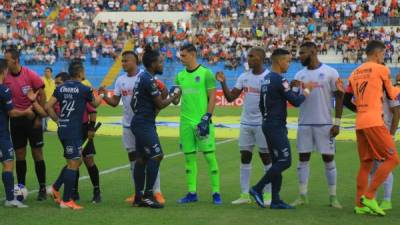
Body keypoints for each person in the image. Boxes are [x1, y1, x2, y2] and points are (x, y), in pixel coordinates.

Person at [249, 48, 313, 209]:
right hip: (276, 126)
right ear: (279, 61)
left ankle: (276, 200)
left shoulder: (266, 79)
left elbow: (262, 104)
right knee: (285, 161)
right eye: (287, 60)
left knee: (277, 161)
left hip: (267, 124)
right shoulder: (280, 79)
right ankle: (257, 188)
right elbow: (296, 101)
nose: (289, 64)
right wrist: (306, 90)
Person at [99, 51, 166, 204]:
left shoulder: (144, 77)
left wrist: (152, 115)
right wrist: (104, 96)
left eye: (126, 61)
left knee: (152, 156)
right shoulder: (120, 80)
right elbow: (115, 102)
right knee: (135, 159)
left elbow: (159, 97)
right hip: (128, 125)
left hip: (143, 124)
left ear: (135, 62)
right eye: (122, 61)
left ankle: (157, 191)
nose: (123, 63)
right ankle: (138, 192)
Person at [343, 40, 400, 216]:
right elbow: (392, 94)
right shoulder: (381, 69)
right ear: (377, 54)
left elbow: (346, 99)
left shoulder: (354, 72)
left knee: (366, 164)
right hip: (375, 121)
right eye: (383, 54)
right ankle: (368, 196)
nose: (384, 57)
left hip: (360, 122)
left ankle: (359, 204)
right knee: (393, 159)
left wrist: (360, 109)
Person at [216, 47, 272, 205]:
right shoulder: (243, 77)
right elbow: (230, 97)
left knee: (266, 158)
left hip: (262, 123)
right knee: (245, 157)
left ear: (260, 59)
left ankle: (268, 195)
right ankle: (244, 194)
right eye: (248, 56)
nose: (248, 58)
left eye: (251, 56)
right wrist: (223, 82)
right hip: (246, 123)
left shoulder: (268, 77)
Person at [291, 42, 344, 209]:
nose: (299, 56)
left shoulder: (331, 72)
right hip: (305, 123)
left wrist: (337, 123)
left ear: (313, 51)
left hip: (325, 124)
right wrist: (293, 89)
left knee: (328, 159)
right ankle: (302, 195)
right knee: (303, 159)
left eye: (302, 53)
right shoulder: (299, 75)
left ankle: (333, 197)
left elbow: (340, 98)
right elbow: (295, 101)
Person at [45, 61, 103, 210]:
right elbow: (95, 105)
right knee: (74, 163)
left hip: (63, 129)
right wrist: (101, 94)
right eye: (84, 71)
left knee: (74, 162)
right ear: (80, 73)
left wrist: (57, 120)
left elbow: (47, 106)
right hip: (74, 130)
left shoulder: (61, 88)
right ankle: (66, 200)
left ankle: (58, 190)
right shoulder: (84, 89)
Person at [130, 46, 180, 208]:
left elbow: (133, 102)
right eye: (160, 62)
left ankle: (138, 197)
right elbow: (160, 102)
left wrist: (147, 113)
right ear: (152, 64)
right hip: (144, 124)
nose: (162, 64)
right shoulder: (148, 79)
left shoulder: (142, 77)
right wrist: (173, 96)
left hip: (141, 121)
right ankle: (148, 195)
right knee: (157, 155)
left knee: (142, 159)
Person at [173, 44, 221, 205]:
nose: (181, 58)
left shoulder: (206, 73)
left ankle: (216, 192)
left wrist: (207, 117)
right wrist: (172, 94)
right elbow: (176, 99)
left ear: (193, 54)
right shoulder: (179, 76)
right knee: (189, 158)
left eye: (184, 55)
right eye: (181, 55)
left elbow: (213, 97)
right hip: (185, 123)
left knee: (209, 157)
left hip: (202, 121)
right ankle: (192, 192)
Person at [4, 48, 48, 201]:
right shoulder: (5, 77)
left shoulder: (30, 74)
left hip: (32, 120)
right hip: (16, 120)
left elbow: (42, 94)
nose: (5, 62)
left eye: (7, 59)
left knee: (37, 154)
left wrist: (38, 119)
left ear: (15, 60)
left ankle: (42, 188)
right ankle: (21, 189)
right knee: (20, 155)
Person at [0, 58, 34, 208]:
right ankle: (9, 199)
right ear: (4, 71)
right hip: (1, 134)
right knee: (8, 163)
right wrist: (26, 111)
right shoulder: (4, 90)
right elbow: (12, 113)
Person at [368, 74, 400, 210]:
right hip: (371, 132)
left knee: (384, 167)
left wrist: (391, 134)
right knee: (371, 168)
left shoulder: (389, 91)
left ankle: (387, 201)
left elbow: (396, 113)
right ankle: (371, 199)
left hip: (383, 133)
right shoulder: (371, 91)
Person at [42, 67, 55, 131]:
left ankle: (46, 127)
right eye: (45, 71)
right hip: (43, 100)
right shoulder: (41, 79)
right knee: (43, 114)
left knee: (48, 115)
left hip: (51, 101)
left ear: (51, 73)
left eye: (48, 71)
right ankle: (42, 127)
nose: (46, 73)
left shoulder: (53, 81)